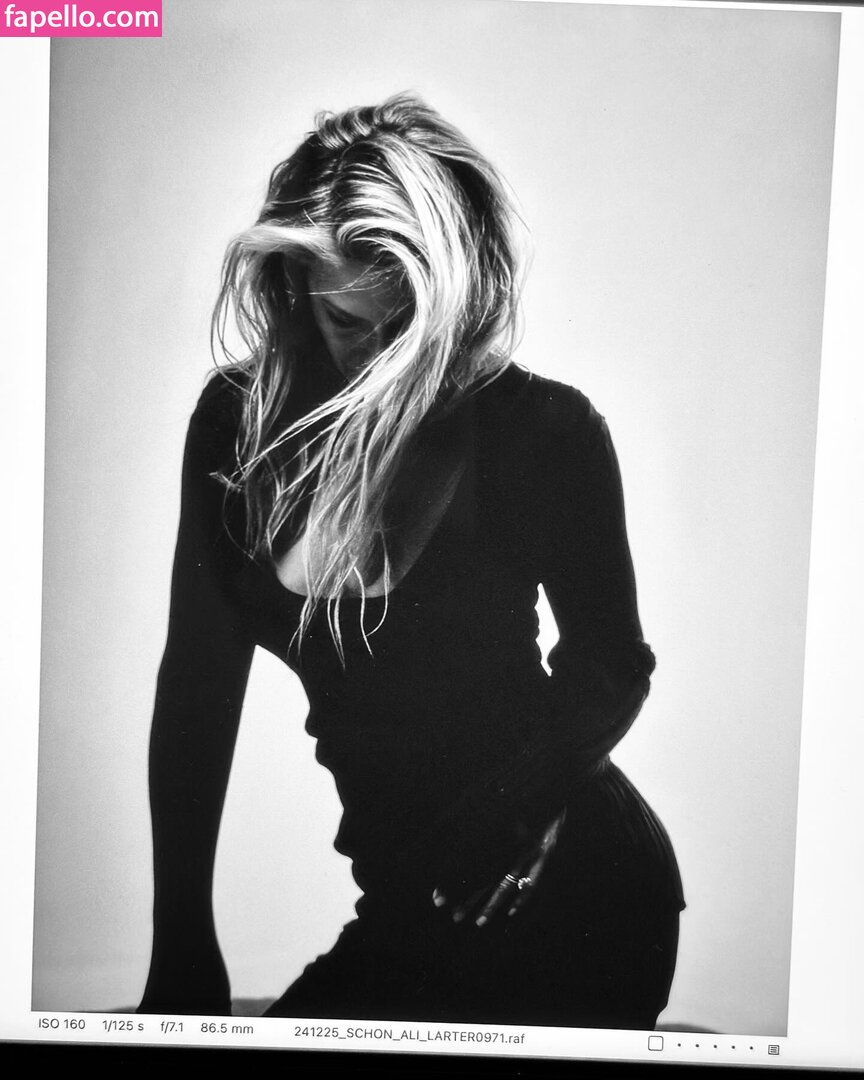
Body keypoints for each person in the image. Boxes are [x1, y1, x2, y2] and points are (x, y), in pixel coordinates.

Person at [138, 93, 685, 1028]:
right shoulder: (238, 430)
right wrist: (182, 935)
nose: (385, 363)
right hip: (403, 900)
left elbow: (612, 662)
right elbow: (197, 681)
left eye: (410, 328)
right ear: (295, 288)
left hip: (580, 891)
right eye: (352, 322)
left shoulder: (543, 431)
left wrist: (522, 806)